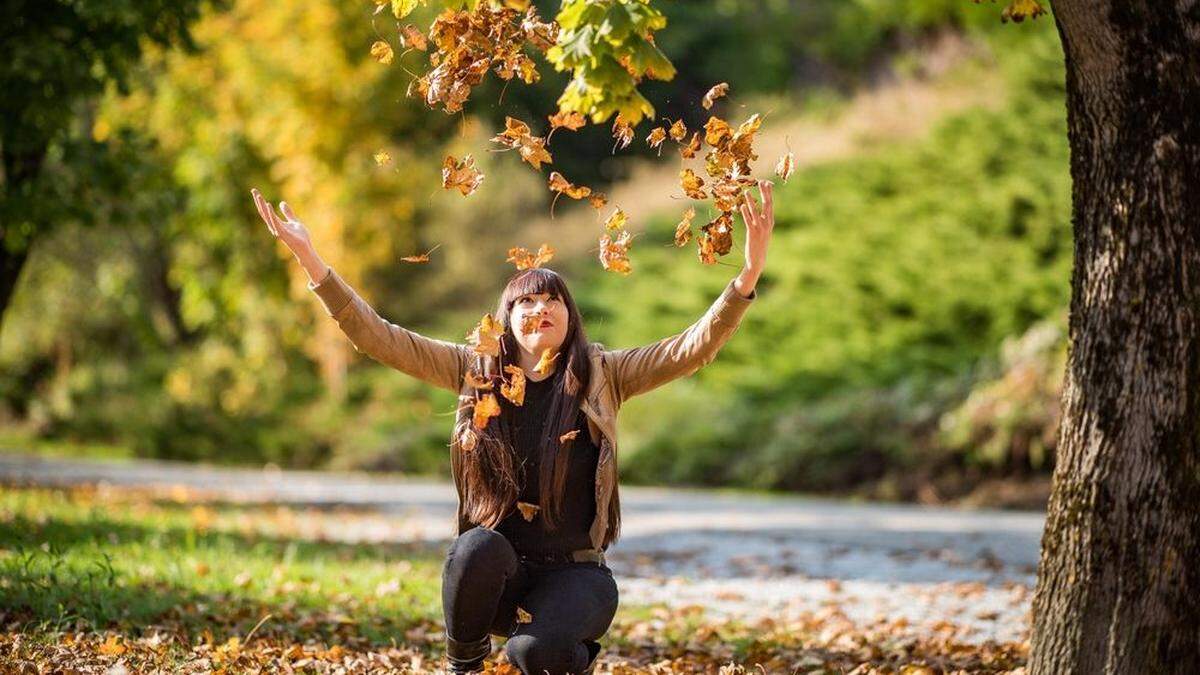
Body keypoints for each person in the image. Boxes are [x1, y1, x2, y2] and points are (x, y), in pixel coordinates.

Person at [250, 181, 774, 674]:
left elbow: (689, 349)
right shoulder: (471, 371)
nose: (539, 308)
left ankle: (563, 651)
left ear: (570, 317)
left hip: (576, 574)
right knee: (475, 547)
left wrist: (745, 277)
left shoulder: (603, 375)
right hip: (500, 577)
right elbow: (379, 336)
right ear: (507, 316)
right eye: (525, 300)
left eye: (553, 300)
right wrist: (313, 262)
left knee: (535, 653)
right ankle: (465, 662)